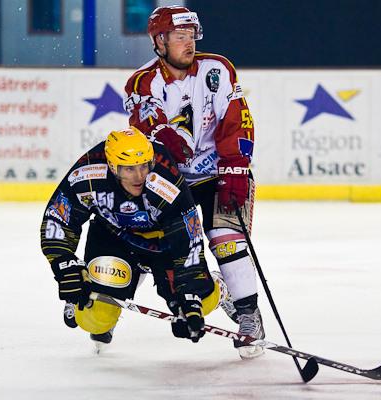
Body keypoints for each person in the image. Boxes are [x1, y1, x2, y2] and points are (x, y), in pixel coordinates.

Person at [123, 5, 263, 358]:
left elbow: (237, 120)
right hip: (170, 180)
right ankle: (112, 302)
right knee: (147, 243)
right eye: (179, 37)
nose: (189, 43)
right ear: (159, 42)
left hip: (219, 173)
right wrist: (162, 137)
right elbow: (146, 124)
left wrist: (235, 168)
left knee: (226, 241)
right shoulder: (143, 82)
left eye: (191, 36)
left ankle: (249, 316)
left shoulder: (218, 69)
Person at [40, 126, 233, 349]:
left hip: (163, 243)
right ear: (112, 166)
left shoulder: (165, 179)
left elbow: (188, 237)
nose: (139, 176)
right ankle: (99, 295)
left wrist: (191, 294)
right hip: (113, 237)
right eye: (129, 169)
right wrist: (66, 266)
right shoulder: (88, 173)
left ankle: (220, 288)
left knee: (201, 301)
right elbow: (58, 219)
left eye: (144, 166)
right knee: (95, 319)